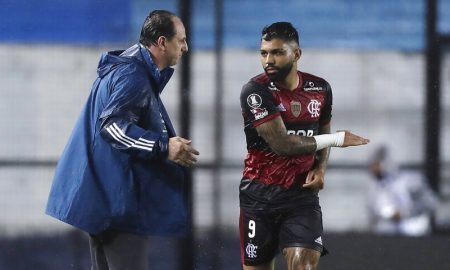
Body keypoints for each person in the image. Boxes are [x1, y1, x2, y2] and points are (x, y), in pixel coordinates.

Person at [45, 10, 199, 270]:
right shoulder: (133, 76)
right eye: (181, 40)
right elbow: (113, 126)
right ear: (162, 42)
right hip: (115, 204)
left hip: (106, 197)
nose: (185, 47)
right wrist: (163, 146)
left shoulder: (129, 69)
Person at [239, 22, 369, 270]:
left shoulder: (320, 89)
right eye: (264, 53)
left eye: (277, 52)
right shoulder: (255, 91)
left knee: (303, 266)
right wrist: (338, 140)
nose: (269, 60)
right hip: (259, 198)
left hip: (301, 198)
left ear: (296, 54)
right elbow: (282, 144)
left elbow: (322, 129)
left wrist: (320, 169)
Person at [367, 146, 439, 236]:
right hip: (387, 237)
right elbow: (375, 214)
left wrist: (404, 213)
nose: (373, 169)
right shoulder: (375, 188)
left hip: (414, 234)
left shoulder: (409, 181)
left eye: (376, 165)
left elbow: (431, 203)